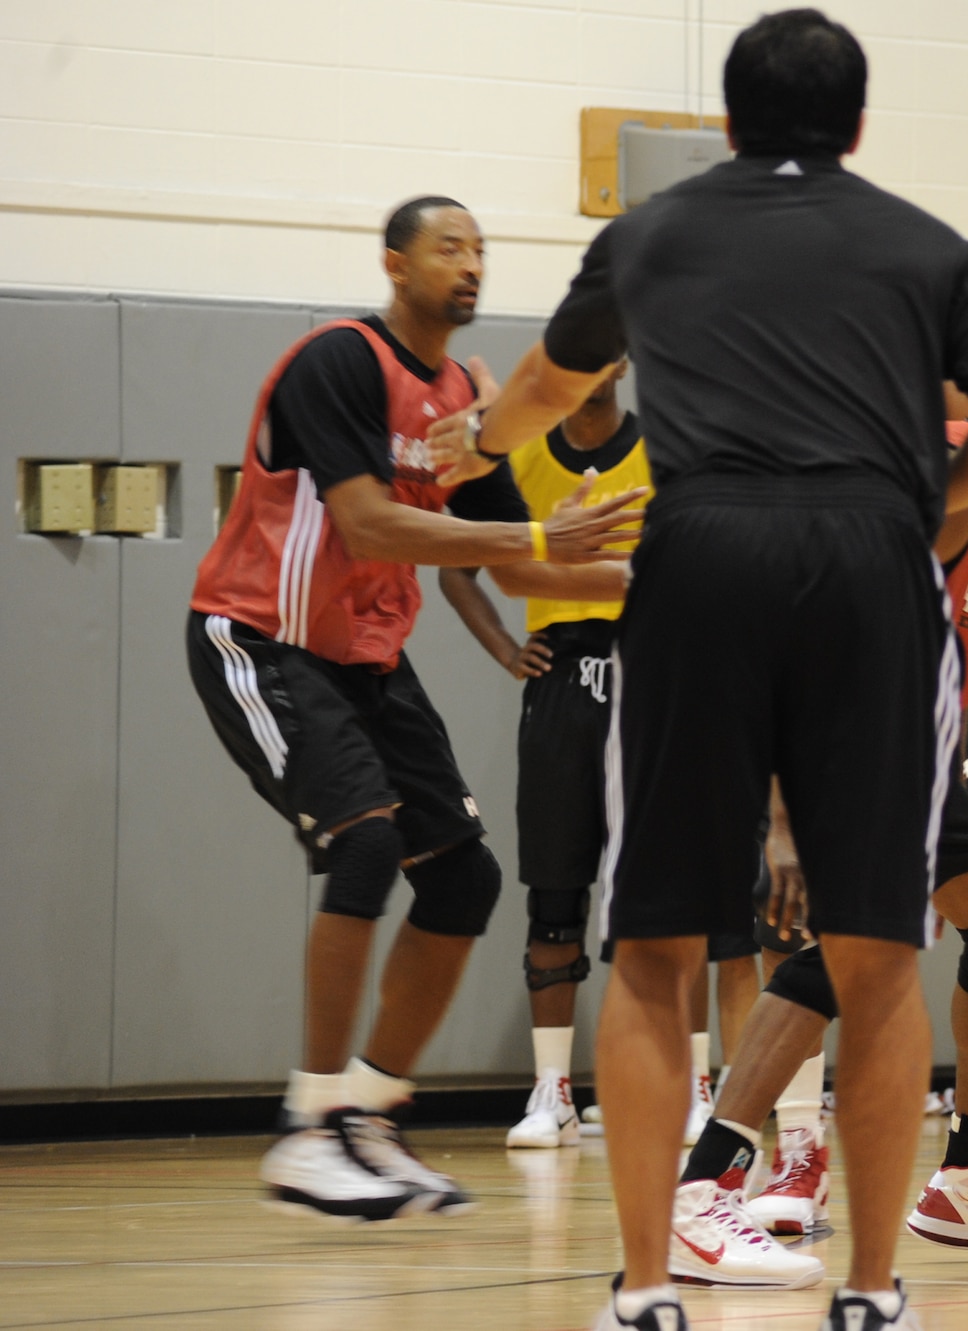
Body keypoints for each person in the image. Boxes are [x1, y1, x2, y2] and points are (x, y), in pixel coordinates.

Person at [425, 12, 968, 1330]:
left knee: (655, 945)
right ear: (860, 124)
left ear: (727, 120)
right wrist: (905, 494)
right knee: (877, 950)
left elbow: (548, 381)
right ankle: (875, 1291)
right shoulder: (931, 246)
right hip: (872, 566)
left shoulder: (653, 233)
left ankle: (649, 1287)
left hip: (699, 553)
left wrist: (466, 435)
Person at [185, 196, 637, 1222]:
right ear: (396, 264)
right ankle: (306, 1130)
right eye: (449, 247)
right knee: (363, 844)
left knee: (465, 876)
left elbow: (494, 540)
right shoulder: (338, 362)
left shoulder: (467, 395)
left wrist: (628, 566)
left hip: (366, 661)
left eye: (481, 248)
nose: (470, 264)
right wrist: (536, 542)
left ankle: (370, 1114)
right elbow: (374, 526)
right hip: (263, 639)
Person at [698, 302, 968, 1262]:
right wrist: (782, 817)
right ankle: (707, 1183)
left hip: (911, 742)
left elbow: (958, 663)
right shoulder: (948, 481)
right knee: (852, 953)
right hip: (834, 733)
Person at [435, 364, 762, 1151]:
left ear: (623, 362)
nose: (592, 367)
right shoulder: (516, 454)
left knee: (673, 898)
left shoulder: (669, 447)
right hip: (561, 683)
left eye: (604, 352)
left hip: (654, 672)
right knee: (555, 889)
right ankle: (553, 1089)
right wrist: (507, 649)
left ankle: (692, 1084)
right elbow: (457, 567)